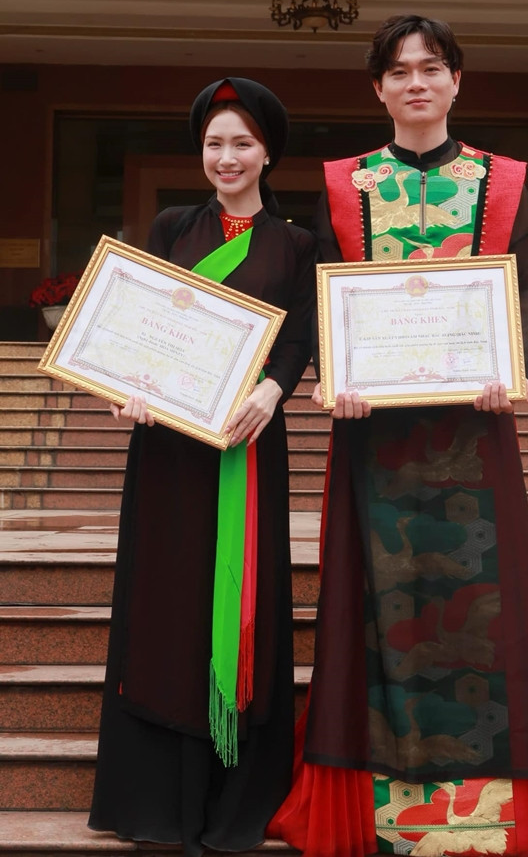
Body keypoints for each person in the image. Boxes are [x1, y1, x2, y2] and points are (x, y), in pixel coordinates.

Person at [270, 16, 528, 856]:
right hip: (374, 437)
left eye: (432, 68)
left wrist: (512, 366)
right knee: (372, 604)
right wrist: (335, 373)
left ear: (455, 81)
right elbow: (324, 293)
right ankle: (370, 813)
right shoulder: (348, 185)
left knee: (488, 609)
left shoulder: (500, 182)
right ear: (378, 88)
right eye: (400, 70)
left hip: (474, 429)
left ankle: (487, 821)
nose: (417, 82)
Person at [88, 78, 316, 856]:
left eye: (242, 143)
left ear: (267, 153)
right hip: (169, 452)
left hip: (247, 445)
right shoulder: (170, 228)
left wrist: (274, 390)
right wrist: (127, 385)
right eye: (215, 143)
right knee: (166, 599)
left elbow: (298, 338)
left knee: (242, 599)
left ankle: (233, 801)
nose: (228, 157)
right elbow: (138, 324)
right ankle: (158, 801)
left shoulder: (295, 244)